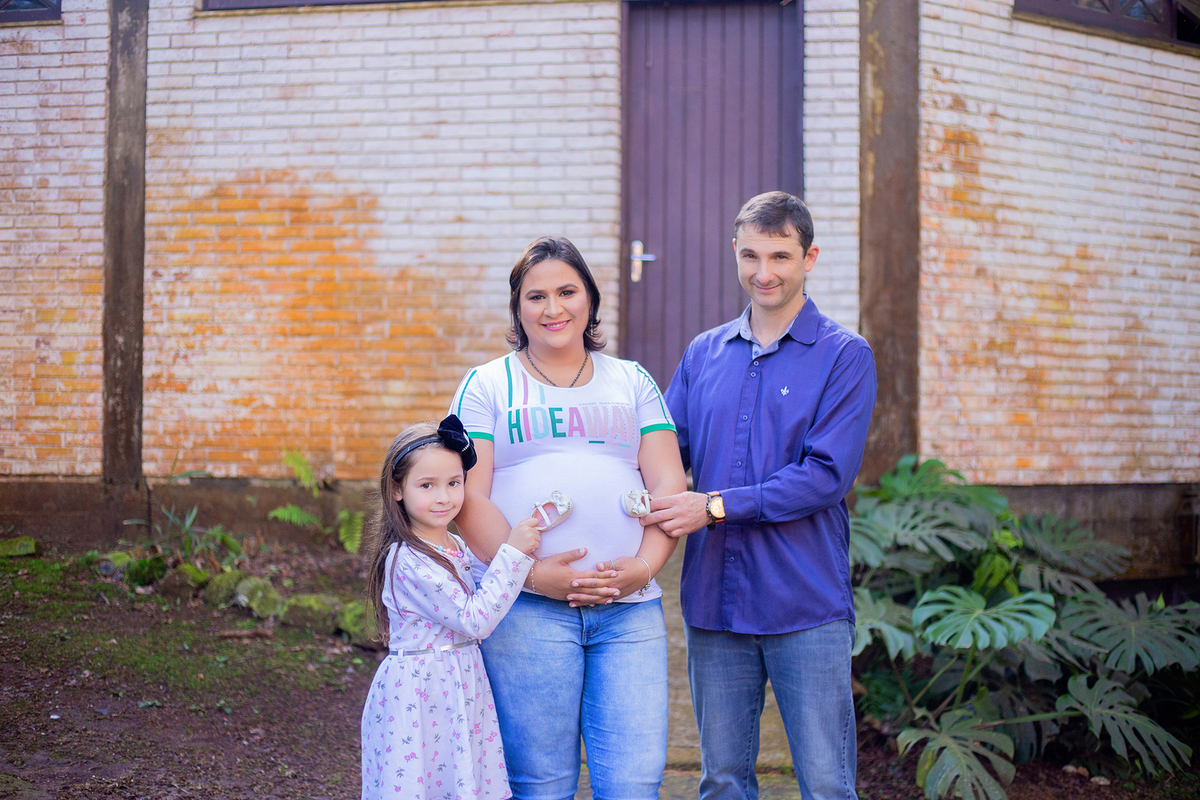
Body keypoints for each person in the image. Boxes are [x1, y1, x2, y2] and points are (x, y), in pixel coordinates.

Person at [640, 191, 877, 800]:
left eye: (780, 256)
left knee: (826, 784)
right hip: (715, 600)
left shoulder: (844, 357)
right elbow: (664, 454)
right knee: (721, 781)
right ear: (736, 254)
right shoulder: (704, 353)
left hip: (805, 602)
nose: (763, 273)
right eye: (751, 256)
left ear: (809, 257)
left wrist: (714, 506)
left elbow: (825, 475)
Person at [450, 235, 687, 800]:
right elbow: (468, 499)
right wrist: (533, 575)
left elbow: (667, 485)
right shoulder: (486, 385)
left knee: (633, 783)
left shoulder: (633, 381)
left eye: (566, 291)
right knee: (540, 784)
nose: (553, 308)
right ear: (517, 308)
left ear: (590, 300)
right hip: (526, 611)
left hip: (628, 613)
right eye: (536, 296)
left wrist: (644, 568)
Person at [359, 415, 542, 800]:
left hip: (459, 684)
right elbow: (476, 617)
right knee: (422, 782)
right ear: (397, 489)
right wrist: (513, 552)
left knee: (459, 779)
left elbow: (482, 591)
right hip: (421, 693)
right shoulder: (406, 559)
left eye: (453, 483)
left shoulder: (455, 546)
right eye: (427, 485)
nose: (443, 497)